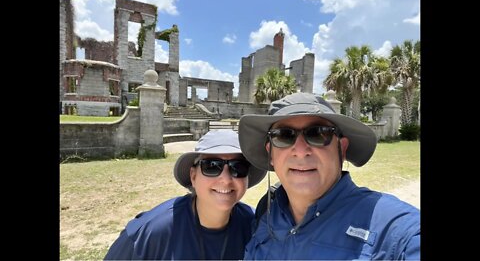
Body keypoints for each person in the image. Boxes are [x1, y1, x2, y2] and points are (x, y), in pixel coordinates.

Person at [238, 92, 420, 260]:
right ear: (271, 154)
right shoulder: (267, 211)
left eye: (318, 133)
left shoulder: (396, 229)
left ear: (341, 148)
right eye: (284, 136)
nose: (300, 152)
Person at [104, 130, 267, 260]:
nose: (225, 179)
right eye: (211, 166)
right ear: (193, 176)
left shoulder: (256, 226)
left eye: (238, 167)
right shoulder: (150, 233)